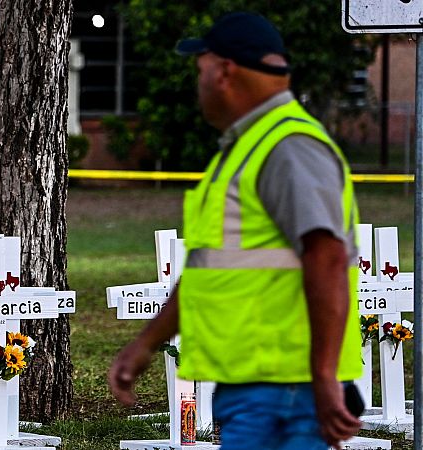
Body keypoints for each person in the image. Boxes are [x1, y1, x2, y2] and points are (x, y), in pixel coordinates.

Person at [108, 12, 364, 450]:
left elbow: (327, 257)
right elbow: (211, 269)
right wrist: (146, 344)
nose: (199, 83)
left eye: (200, 70)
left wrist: (323, 376)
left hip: (287, 390)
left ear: (225, 70)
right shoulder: (249, 146)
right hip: (258, 387)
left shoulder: (288, 146)